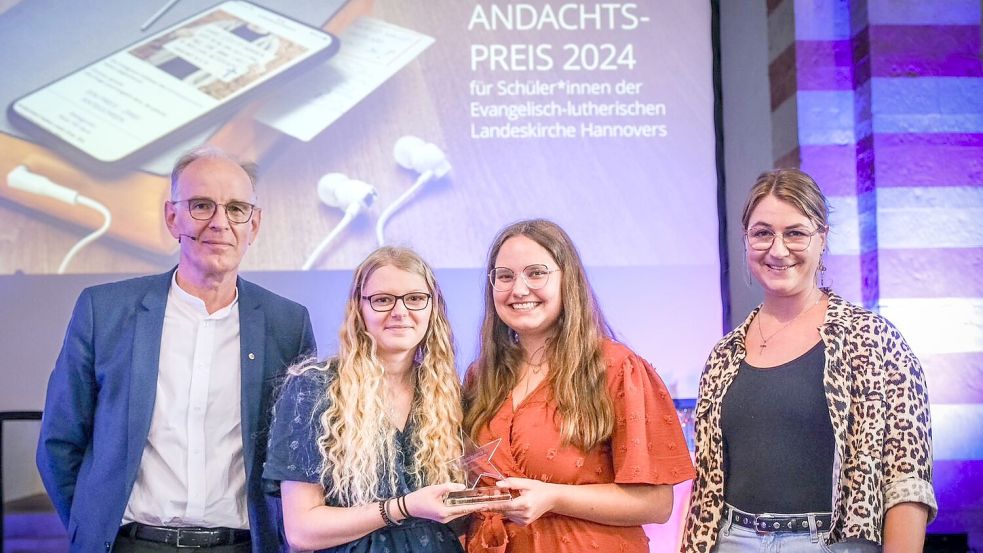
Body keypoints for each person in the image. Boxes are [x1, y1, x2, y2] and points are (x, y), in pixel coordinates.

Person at [36, 146, 317, 553]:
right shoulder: (105, 311)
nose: (220, 223)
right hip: (130, 544)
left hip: (243, 545)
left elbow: (298, 454)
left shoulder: (287, 323)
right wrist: (92, 527)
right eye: (202, 206)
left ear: (254, 225)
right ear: (172, 217)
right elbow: (60, 443)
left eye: (237, 209)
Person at [682, 168, 936, 552]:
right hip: (732, 541)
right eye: (762, 233)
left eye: (796, 233)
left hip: (833, 543)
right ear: (746, 240)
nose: (778, 249)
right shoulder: (724, 355)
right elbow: (705, 488)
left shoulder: (872, 340)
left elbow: (906, 480)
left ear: (822, 239)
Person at [463, 219, 695, 553]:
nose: (518, 289)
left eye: (536, 273)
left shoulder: (616, 368)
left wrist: (555, 498)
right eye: (505, 276)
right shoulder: (479, 376)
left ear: (567, 280)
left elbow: (657, 503)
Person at [264, 247, 487, 552]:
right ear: (360, 308)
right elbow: (302, 532)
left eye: (415, 298)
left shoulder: (445, 393)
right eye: (383, 300)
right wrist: (403, 507)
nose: (400, 312)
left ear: (433, 308)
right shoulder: (314, 388)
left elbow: (459, 526)